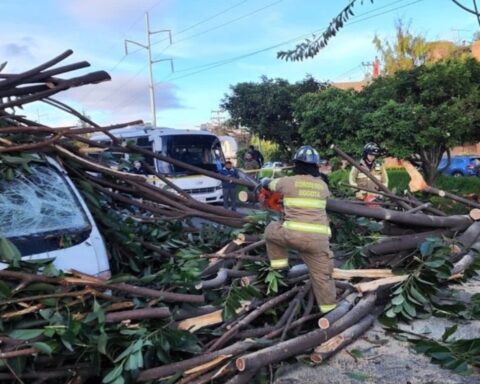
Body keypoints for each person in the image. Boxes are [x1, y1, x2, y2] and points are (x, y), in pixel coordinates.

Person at [261, 145, 336, 314]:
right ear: (316, 166)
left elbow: (268, 183)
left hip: (292, 236)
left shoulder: (288, 182)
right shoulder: (323, 186)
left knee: (271, 230)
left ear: (296, 165)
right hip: (318, 242)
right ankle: (330, 313)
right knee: (322, 278)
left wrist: (262, 182)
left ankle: (280, 267)